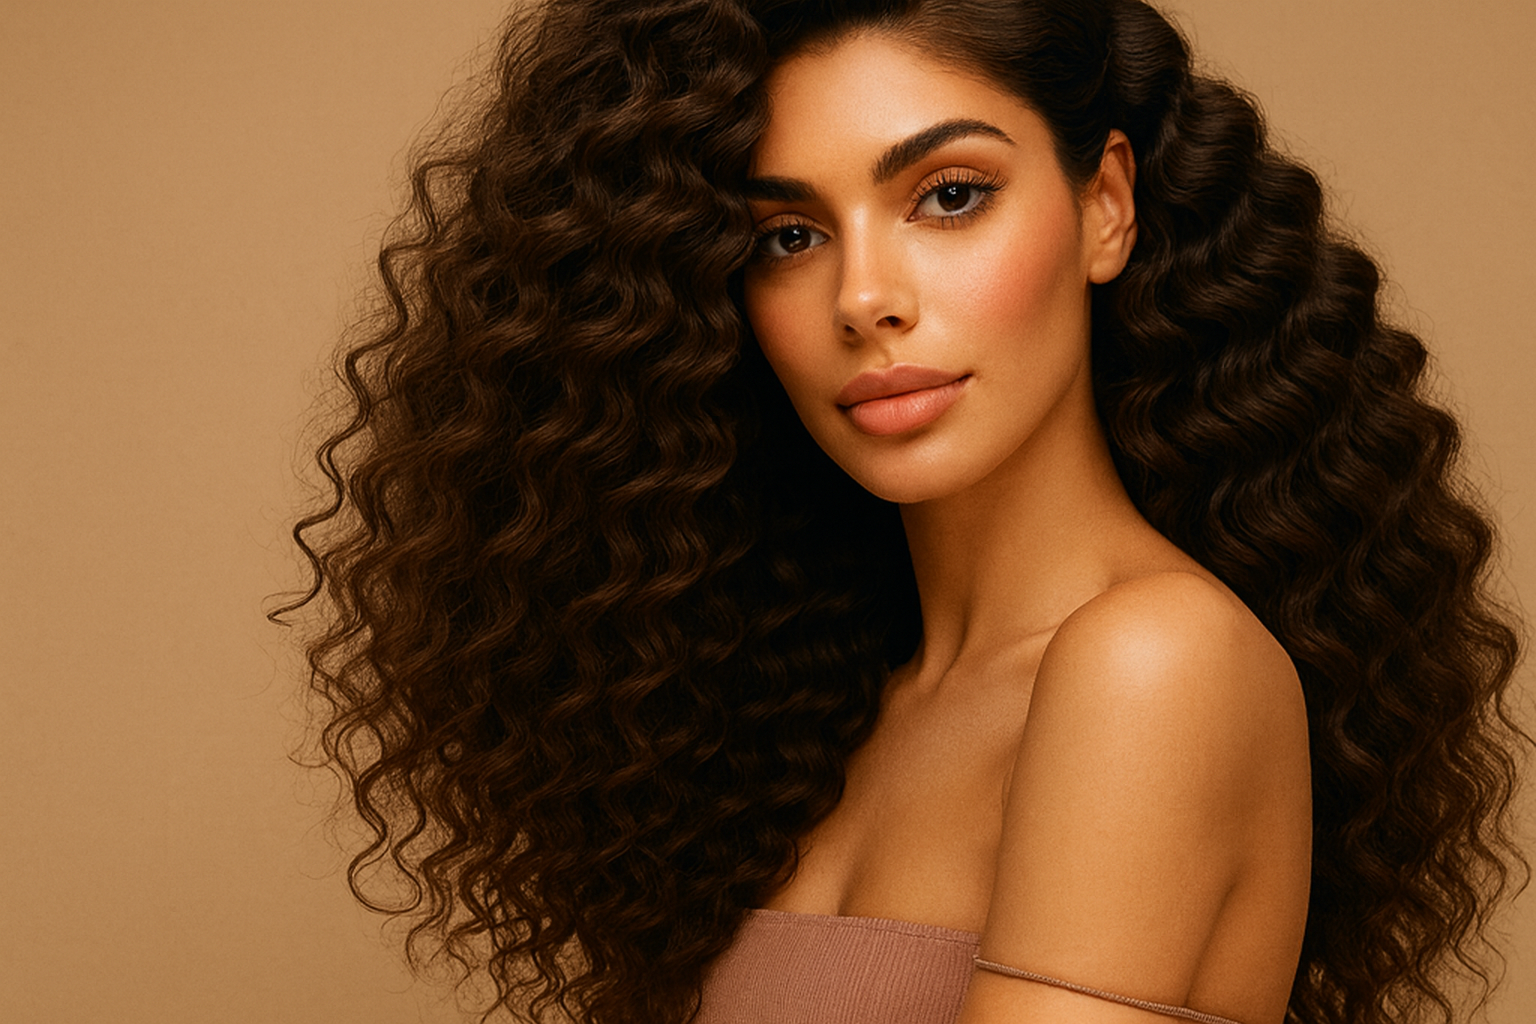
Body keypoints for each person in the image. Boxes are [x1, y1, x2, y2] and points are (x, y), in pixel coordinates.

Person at [279, 2, 1526, 1022]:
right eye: (786, 234)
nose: (864, 297)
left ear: (1105, 206)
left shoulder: (1154, 663)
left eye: (948, 194)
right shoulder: (830, 704)